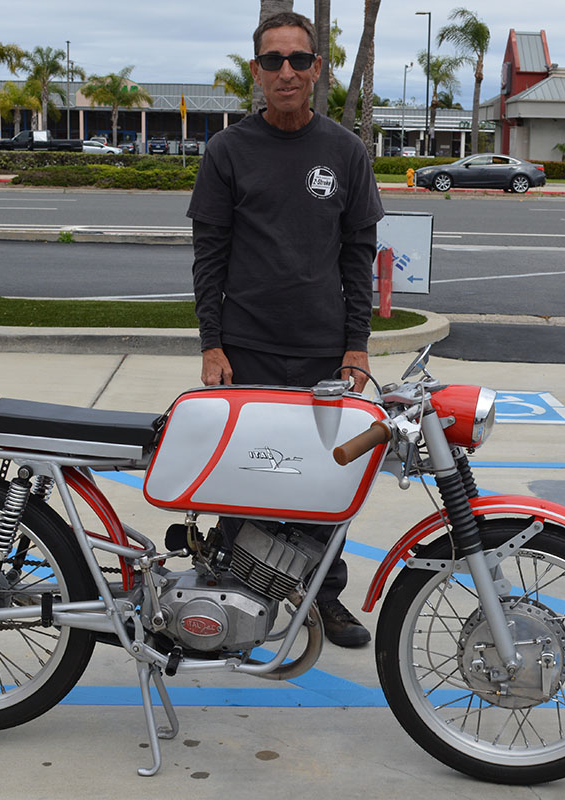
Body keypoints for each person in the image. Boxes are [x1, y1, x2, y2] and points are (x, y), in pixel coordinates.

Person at [186, 11, 384, 648]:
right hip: (247, 348)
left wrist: (357, 345)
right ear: (257, 72)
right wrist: (211, 343)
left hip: (326, 350)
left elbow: (358, 255)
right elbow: (209, 254)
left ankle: (323, 598)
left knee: (327, 482)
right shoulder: (227, 151)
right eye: (273, 61)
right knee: (246, 479)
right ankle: (233, 595)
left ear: (317, 69)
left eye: (299, 60)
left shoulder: (345, 151)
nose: (287, 72)